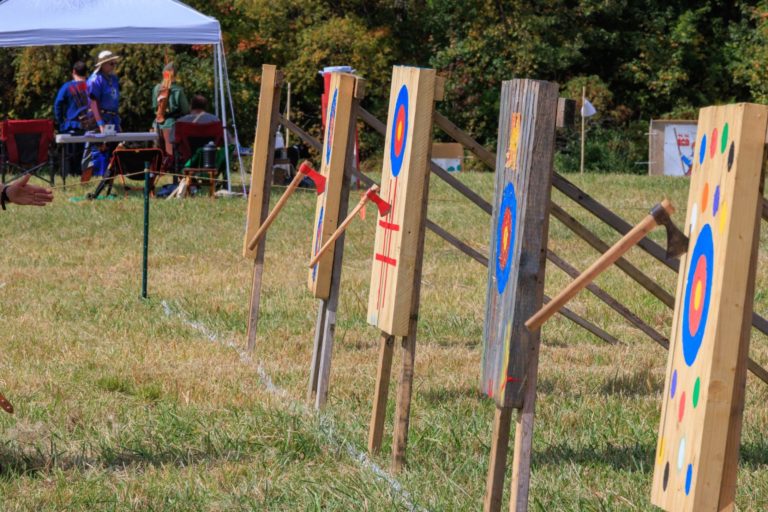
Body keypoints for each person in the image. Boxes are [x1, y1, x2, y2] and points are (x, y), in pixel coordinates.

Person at [83, 50, 120, 182]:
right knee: (99, 150)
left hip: (112, 118)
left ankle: (109, 179)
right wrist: (100, 124)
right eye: (111, 63)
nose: (114, 65)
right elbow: (93, 103)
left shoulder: (113, 78)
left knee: (113, 149)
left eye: (114, 62)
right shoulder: (95, 80)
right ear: (103, 64)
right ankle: (97, 180)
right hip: (99, 119)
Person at [53, 61, 90, 177]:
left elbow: (57, 104)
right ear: (86, 73)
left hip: (71, 127)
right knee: (84, 154)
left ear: (73, 72)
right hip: (89, 127)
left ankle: (70, 175)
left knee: (69, 155)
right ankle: (81, 174)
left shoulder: (67, 87)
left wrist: (60, 123)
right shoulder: (90, 86)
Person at [152, 62, 189, 157]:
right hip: (172, 125)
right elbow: (185, 110)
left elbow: (154, 107)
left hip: (157, 125)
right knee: (171, 157)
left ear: (164, 74)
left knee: (158, 155)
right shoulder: (178, 90)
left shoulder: (157, 88)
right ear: (175, 75)